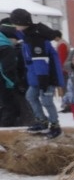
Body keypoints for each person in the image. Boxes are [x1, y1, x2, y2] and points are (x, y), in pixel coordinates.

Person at [10, 8, 65, 138]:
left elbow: (41, 61)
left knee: (46, 100)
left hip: (46, 76)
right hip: (35, 77)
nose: (15, 27)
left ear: (21, 22)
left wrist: (43, 80)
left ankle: (55, 125)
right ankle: (42, 121)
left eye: (15, 23)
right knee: (31, 96)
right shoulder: (28, 35)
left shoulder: (35, 38)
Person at [0, 22, 31, 127]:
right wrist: (13, 84)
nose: (18, 41)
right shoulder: (6, 48)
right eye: (16, 38)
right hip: (5, 85)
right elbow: (7, 70)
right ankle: (5, 135)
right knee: (9, 109)